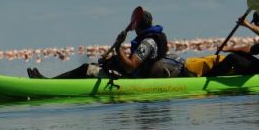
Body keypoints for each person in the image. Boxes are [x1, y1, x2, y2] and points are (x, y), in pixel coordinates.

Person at [27, 7, 184, 79]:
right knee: (97, 65)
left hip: (134, 80)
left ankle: (49, 84)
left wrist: (117, 47)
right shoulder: (151, 38)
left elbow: (131, 66)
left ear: (136, 26)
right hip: (137, 75)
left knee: (85, 69)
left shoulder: (148, 42)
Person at [208, 8, 259, 76]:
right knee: (237, 55)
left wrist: (247, 24)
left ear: (258, 23)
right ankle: (228, 75)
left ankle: (208, 77)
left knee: (232, 58)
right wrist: (228, 49)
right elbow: (252, 50)